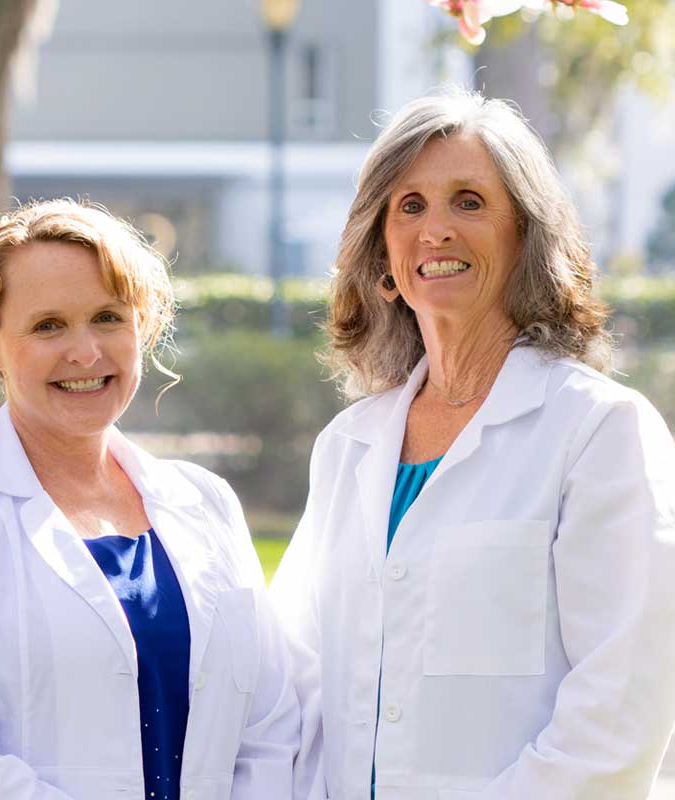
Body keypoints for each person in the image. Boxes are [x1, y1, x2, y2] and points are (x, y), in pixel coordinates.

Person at [271, 87, 675, 800]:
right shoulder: (347, 448)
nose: (437, 231)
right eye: (410, 206)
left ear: (524, 236)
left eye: (469, 201)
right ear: (384, 256)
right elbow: (295, 681)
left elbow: (619, 716)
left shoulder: (598, 432)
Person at [0, 199, 301, 800]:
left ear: (144, 327)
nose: (84, 353)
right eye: (48, 325)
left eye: (107, 317)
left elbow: (270, 730)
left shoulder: (205, 502)